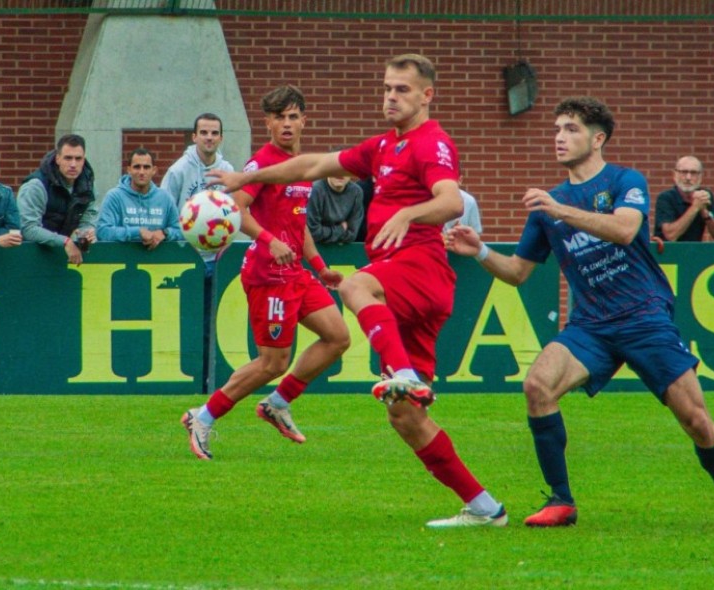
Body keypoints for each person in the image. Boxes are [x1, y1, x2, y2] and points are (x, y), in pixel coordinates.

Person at [208, 55, 507, 528]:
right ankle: (485, 507)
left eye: (403, 90)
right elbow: (314, 164)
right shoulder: (383, 146)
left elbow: (451, 200)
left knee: (355, 285)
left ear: (427, 95)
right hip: (406, 282)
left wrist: (408, 215)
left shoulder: (432, 142)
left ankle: (403, 372)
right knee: (406, 417)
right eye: (387, 87)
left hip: (420, 265)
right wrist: (249, 178)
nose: (391, 96)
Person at [445, 96, 714, 528]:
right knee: (537, 386)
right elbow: (517, 272)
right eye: (556, 129)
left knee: (695, 419)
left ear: (598, 138)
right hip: (591, 325)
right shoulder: (547, 207)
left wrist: (561, 211)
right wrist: (478, 250)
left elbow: (627, 229)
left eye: (570, 129)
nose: (559, 137)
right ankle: (561, 502)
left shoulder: (624, 180)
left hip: (645, 317)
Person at [181, 85, 350, 461]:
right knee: (272, 362)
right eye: (279, 118)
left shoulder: (302, 166)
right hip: (267, 276)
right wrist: (269, 240)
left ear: (304, 120)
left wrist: (320, 267)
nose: (286, 125)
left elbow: (300, 223)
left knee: (338, 337)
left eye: (293, 117)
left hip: (296, 274)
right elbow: (236, 210)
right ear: (268, 123)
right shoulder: (262, 164)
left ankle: (277, 403)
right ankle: (203, 416)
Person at [162, 113, 236, 393]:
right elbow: (167, 212)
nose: (209, 138)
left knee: (212, 326)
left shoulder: (227, 169)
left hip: (217, 261)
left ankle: (209, 381)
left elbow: (234, 211)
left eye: (214, 133)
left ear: (221, 137)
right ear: (194, 137)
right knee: (188, 324)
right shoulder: (179, 170)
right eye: (203, 132)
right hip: (188, 261)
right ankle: (186, 379)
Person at [18, 134, 98, 265]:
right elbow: (28, 229)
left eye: (78, 159)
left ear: (84, 160)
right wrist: (65, 241)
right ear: (58, 158)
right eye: (68, 158)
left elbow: (87, 220)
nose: (73, 164)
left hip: (63, 258)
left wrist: (86, 233)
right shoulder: (35, 186)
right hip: (30, 258)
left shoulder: (88, 186)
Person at [96, 147, 183, 247]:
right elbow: (102, 232)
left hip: (158, 261)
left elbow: (182, 232)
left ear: (154, 170)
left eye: (146, 167)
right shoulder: (114, 197)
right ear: (129, 170)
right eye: (137, 167)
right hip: (122, 259)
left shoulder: (166, 198)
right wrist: (137, 232)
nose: (141, 172)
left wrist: (165, 233)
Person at [654, 156, 714, 242]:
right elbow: (671, 236)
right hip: (667, 253)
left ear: (701, 176)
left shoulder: (704, 196)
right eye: (684, 172)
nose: (688, 177)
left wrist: (705, 213)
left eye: (693, 173)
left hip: (693, 252)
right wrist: (695, 208)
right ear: (674, 174)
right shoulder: (666, 197)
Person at [306, 170, 364, 244]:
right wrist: (341, 229)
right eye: (335, 168)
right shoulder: (315, 190)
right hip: (316, 248)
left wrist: (325, 233)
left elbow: (352, 234)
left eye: (345, 169)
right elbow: (313, 234)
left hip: (342, 250)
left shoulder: (356, 192)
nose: (340, 173)